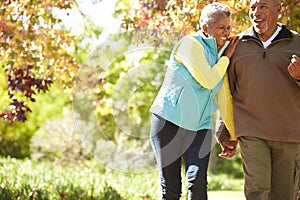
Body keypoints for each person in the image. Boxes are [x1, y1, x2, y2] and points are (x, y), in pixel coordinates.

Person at [149, 2, 239, 200]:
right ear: (206, 28)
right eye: (221, 28)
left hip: (200, 127)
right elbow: (208, 80)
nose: (227, 32)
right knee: (171, 190)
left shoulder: (220, 55)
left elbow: (223, 99)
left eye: (229, 27)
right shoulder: (190, 44)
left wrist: (229, 135)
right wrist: (226, 58)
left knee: (198, 184)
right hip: (168, 123)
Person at [217, 0, 300, 199]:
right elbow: (227, 90)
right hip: (251, 129)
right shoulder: (237, 44)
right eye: (252, 7)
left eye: (263, 6)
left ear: (278, 9)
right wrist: (223, 128)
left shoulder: (297, 42)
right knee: (257, 187)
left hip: (289, 133)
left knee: (284, 194)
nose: (256, 12)